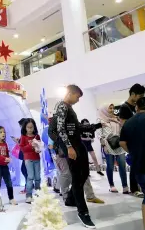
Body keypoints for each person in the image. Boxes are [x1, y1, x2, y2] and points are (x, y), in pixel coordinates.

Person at [54, 84, 102, 229]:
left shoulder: (68, 107)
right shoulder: (62, 106)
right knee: (77, 177)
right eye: (77, 96)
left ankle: (70, 199)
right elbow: (60, 129)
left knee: (85, 174)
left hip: (78, 144)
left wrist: (95, 126)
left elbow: (75, 127)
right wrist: (68, 147)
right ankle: (83, 212)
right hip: (71, 147)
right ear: (70, 93)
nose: (78, 100)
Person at [49, 120, 104, 207]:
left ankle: (89, 196)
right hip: (63, 153)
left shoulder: (70, 118)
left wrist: (97, 125)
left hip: (74, 150)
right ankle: (67, 197)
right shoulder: (55, 124)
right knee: (67, 174)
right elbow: (52, 141)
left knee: (82, 173)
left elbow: (81, 128)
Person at [120, 97, 145, 229]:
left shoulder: (128, 123)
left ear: (136, 108)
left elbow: (122, 142)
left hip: (139, 165)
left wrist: (133, 152)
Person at [119, 83, 145, 198]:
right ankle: (134, 188)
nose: (141, 98)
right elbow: (124, 126)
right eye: (140, 95)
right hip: (132, 141)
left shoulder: (135, 107)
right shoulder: (125, 108)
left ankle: (137, 187)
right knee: (135, 164)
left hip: (137, 140)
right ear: (133, 94)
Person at [98, 104, 128, 193]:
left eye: (112, 108)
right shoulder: (101, 120)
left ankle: (125, 186)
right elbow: (99, 134)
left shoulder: (117, 119)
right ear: (105, 109)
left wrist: (119, 121)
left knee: (122, 165)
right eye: (110, 108)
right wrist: (103, 145)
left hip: (118, 144)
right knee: (110, 166)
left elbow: (122, 129)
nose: (112, 110)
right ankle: (111, 185)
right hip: (108, 145)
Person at [0, 126, 17, 205]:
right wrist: (4, 159)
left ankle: (11, 198)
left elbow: (7, 154)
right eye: (1, 132)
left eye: (4, 132)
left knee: (9, 182)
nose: (3, 133)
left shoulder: (5, 143)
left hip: (5, 166)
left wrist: (8, 159)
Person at [19, 118, 41, 204]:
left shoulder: (37, 136)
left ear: (34, 127)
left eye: (31, 127)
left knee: (38, 177)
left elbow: (40, 147)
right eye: (28, 127)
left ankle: (39, 194)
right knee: (30, 176)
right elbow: (23, 149)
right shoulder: (23, 137)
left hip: (36, 158)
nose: (30, 129)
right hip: (28, 159)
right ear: (25, 128)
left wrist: (38, 149)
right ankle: (28, 195)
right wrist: (30, 145)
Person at [11, 118, 28, 194]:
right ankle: (28, 186)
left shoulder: (27, 133)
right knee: (25, 170)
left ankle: (28, 187)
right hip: (26, 154)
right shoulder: (25, 133)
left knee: (25, 170)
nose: (20, 127)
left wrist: (17, 142)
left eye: (21, 125)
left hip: (27, 154)